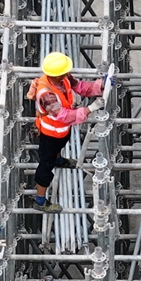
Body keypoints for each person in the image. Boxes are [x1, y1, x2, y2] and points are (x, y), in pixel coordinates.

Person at [25, 52, 107, 213]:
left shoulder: (63, 78)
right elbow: (64, 116)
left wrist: (100, 86)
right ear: (57, 75)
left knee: (59, 147)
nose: (68, 73)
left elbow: (80, 87)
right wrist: (90, 109)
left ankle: (59, 160)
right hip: (49, 134)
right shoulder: (46, 94)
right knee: (45, 166)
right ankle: (40, 201)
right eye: (65, 71)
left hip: (61, 132)